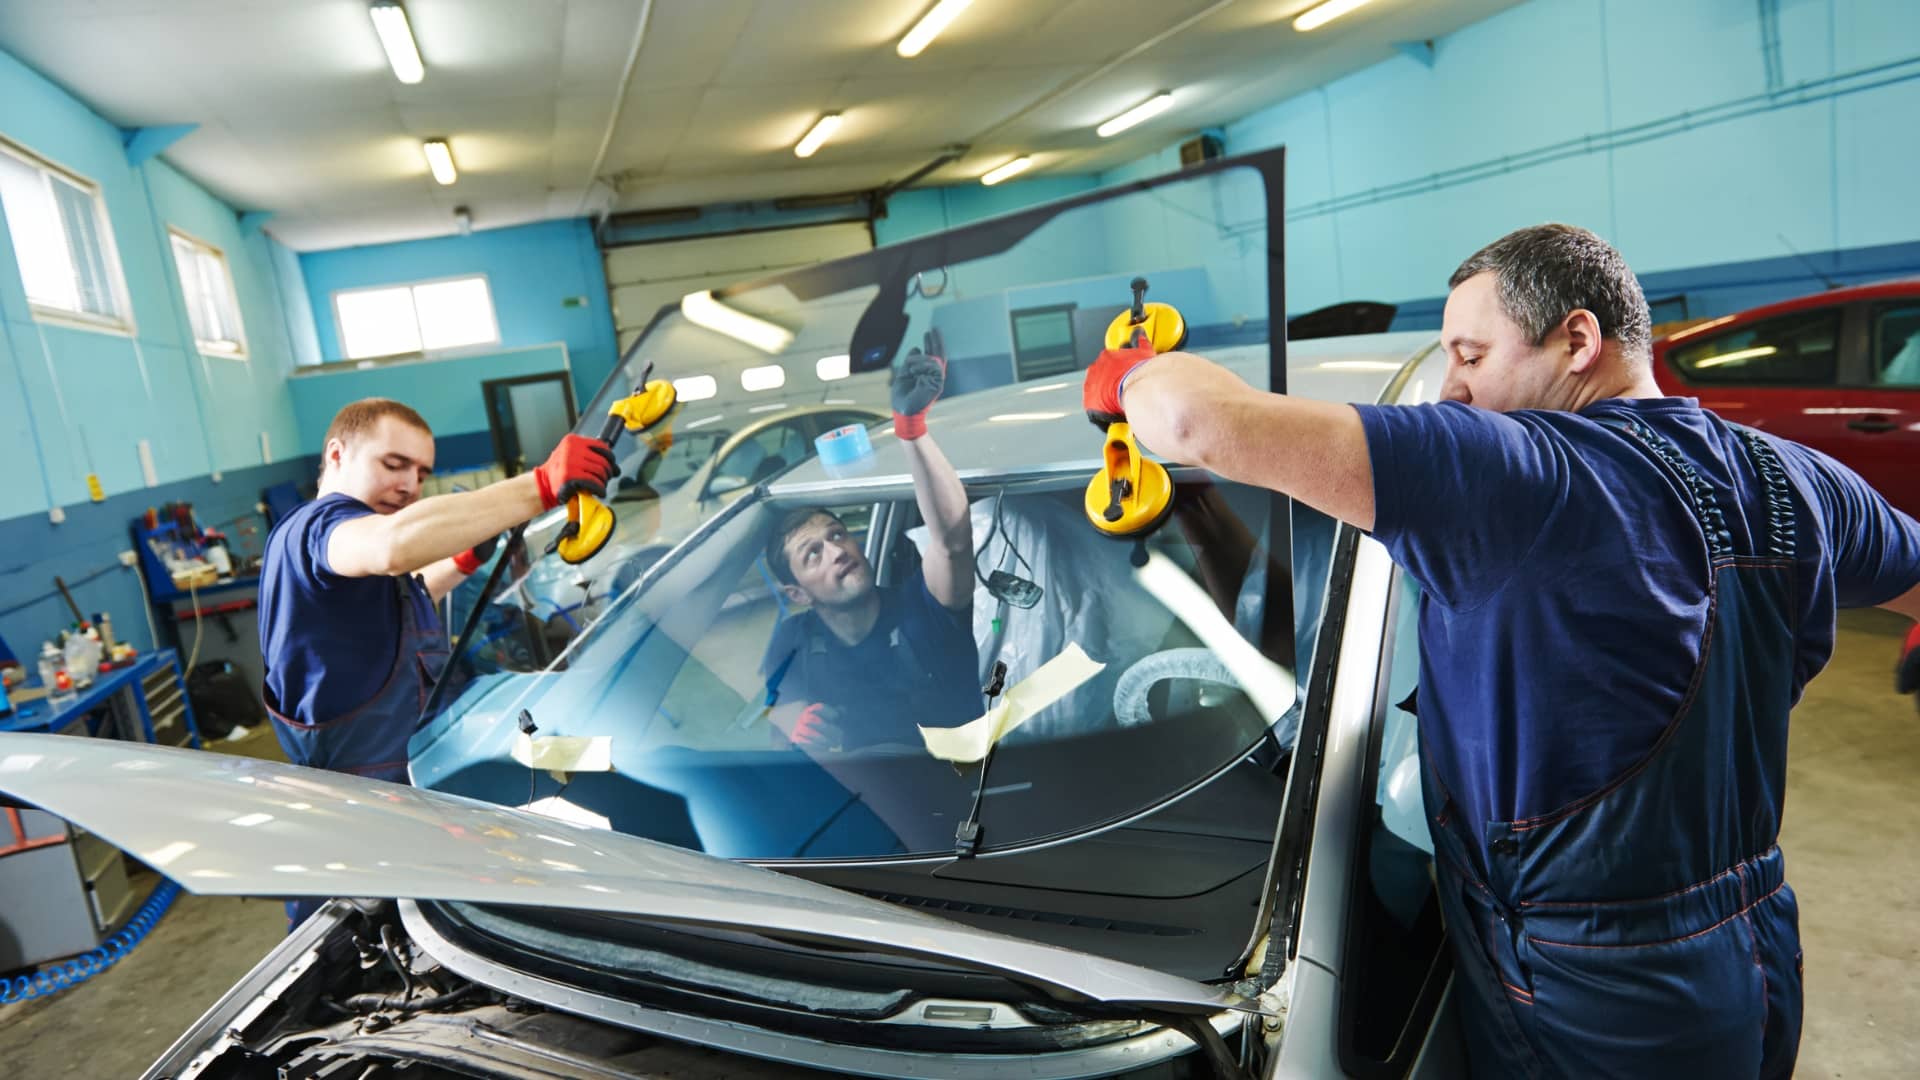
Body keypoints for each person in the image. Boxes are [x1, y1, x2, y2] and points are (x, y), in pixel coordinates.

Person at [1084, 224, 1920, 1078]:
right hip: (1755, 951)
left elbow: (1192, 420)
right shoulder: (1794, 479)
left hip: (1589, 993)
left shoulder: (1510, 474)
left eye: (1473, 356)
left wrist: (1130, 373)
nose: (1453, 390)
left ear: (1578, 340)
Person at [260, 397, 616, 785]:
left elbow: (393, 612)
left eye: (421, 473)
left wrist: (460, 563)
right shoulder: (317, 527)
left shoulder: (347, 551)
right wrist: (541, 485)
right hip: (381, 790)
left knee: (599, 752)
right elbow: (390, 547)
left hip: (431, 757)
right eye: (393, 465)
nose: (409, 486)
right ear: (336, 455)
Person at [759, 338, 980, 751]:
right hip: (866, 803)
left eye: (837, 535)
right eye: (814, 554)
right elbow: (778, 721)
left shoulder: (922, 607)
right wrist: (790, 726)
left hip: (967, 791)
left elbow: (950, 542)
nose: (837, 550)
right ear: (797, 593)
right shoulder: (793, 643)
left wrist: (911, 431)